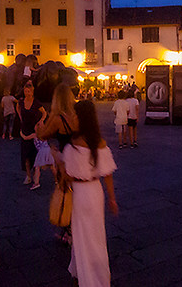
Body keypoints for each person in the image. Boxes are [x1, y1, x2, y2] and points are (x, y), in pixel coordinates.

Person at [62, 100, 120, 286]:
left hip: (79, 193)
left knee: (81, 235)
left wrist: (57, 158)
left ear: (81, 117)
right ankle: (97, 275)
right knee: (96, 235)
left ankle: (85, 275)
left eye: (75, 114)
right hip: (95, 192)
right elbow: (108, 173)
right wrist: (112, 199)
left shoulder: (73, 144)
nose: (72, 117)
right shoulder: (99, 143)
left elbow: (67, 176)